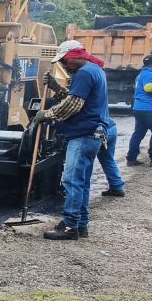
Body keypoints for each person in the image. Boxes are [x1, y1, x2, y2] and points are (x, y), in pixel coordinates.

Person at [33, 41, 112, 241]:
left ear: (75, 56)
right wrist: (56, 87)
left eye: (65, 61)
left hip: (84, 135)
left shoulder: (84, 74)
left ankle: (69, 226)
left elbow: (73, 106)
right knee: (82, 183)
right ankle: (81, 224)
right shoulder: (95, 70)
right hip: (94, 134)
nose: (64, 65)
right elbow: (77, 99)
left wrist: (46, 114)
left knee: (71, 181)